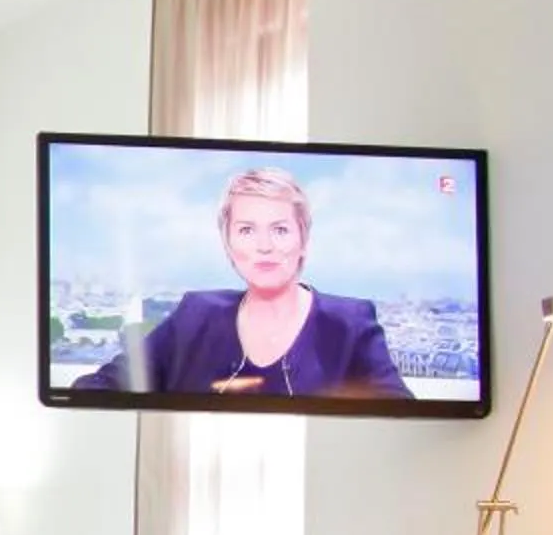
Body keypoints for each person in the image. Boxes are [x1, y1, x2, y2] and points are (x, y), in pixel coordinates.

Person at [72, 166, 411, 398]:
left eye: (280, 229)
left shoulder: (350, 324)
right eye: (247, 230)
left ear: (303, 239)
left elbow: (402, 415)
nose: (264, 246)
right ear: (228, 244)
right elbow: (108, 384)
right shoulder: (196, 315)